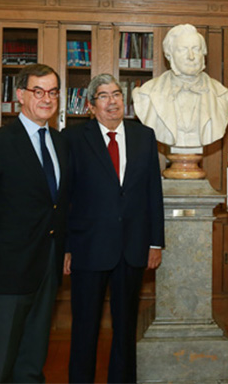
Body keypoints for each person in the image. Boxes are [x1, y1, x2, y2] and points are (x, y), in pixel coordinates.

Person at [0, 63, 70, 383]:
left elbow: (61, 203)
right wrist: (3, 246)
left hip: (49, 261)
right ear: (21, 95)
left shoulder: (61, 142)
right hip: (10, 264)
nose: (47, 99)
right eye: (38, 91)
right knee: (4, 354)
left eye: (53, 92)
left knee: (34, 350)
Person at [63, 73, 165, 383]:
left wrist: (155, 243)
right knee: (85, 328)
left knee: (125, 329)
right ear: (91, 106)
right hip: (88, 247)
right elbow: (65, 196)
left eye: (117, 94)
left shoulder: (143, 136)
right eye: (104, 96)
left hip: (132, 248)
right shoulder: (73, 139)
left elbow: (152, 193)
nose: (113, 101)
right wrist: (65, 246)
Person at [132, 23, 228, 148]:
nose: (191, 57)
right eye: (182, 50)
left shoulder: (224, 96)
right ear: (169, 55)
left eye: (196, 49)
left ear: (203, 54)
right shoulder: (145, 94)